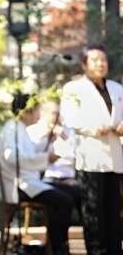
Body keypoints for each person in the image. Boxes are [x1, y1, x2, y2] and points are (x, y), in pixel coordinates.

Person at [61, 45, 123, 255]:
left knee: (113, 211)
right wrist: (93, 128)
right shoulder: (73, 89)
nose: (101, 64)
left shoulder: (117, 88)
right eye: (95, 60)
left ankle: (115, 250)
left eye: (103, 60)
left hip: (115, 158)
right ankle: (97, 251)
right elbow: (69, 118)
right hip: (90, 158)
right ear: (84, 64)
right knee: (93, 211)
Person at [0, 93, 75, 255]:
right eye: (37, 111)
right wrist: (45, 158)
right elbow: (13, 157)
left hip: (28, 182)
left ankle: (56, 243)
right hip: (19, 185)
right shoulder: (13, 129)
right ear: (26, 112)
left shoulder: (19, 129)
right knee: (63, 201)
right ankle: (56, 247)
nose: (39, 115)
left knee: (74, 192)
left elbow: (31, 151)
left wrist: (48, 141)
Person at [26, 98, 82, 218]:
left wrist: (64, 139)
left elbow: (74, 157)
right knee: (61, 198)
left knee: (81, 193)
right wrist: (46, 137)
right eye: (53, 113)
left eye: (59, 113)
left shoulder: (68, 131)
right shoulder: (33, 131)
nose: (57, 117)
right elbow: (32, 156)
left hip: (68, 178)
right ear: (43, 113)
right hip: (45, 179)